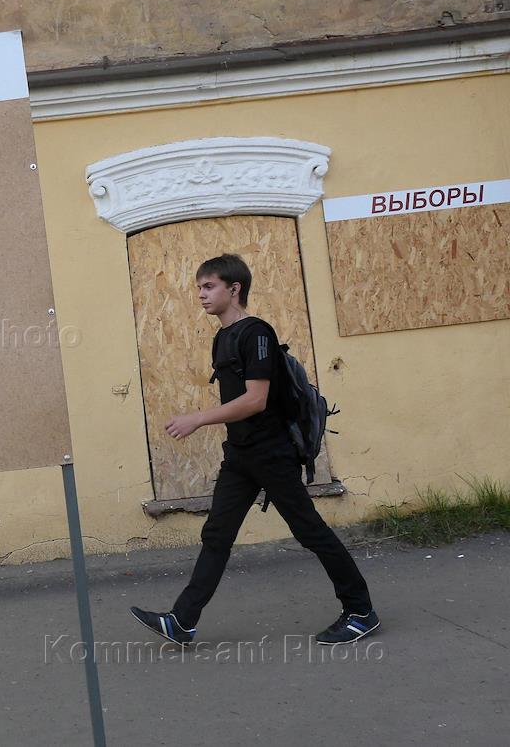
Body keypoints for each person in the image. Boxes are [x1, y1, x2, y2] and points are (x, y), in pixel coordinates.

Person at [130, 254, 379, 647]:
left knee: (309, 531)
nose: (201, 295)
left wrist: (197, 418)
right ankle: (182, 621)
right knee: (217, 535)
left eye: (208, 286)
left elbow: (256, 400)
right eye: (198, 287)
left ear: (235, 289)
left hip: (272, 453)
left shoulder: (256, 333)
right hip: (242, 455)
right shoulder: (222, 337)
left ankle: (361, 610)